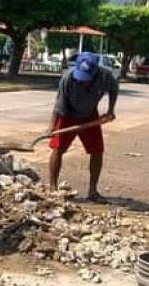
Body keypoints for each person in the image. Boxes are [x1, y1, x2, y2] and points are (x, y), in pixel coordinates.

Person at [48, 51, 118, 202]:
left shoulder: (105, 76)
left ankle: (93, 191)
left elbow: (114, 88)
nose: (83, 81)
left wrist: (110, 110)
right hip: (67, 115)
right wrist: (52, 127)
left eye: (87, 78)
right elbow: (59, 106)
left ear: (95, 71)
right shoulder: (67, 79)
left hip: (90, 116)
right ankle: (52, 188)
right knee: (58, 149)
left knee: (97, 151)